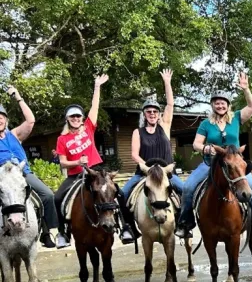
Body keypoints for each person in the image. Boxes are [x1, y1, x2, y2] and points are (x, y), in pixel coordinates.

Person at [174, 71, 252, 238]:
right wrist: (206, 149)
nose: (220, 106)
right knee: (187, 187)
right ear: (212, 106)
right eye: (217, 103)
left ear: (228, 105)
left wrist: (246, 89)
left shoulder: (236, 118)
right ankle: (185, 222)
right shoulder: (206, 123)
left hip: (234, 163)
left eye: (223, 103)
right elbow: (196, 144)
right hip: (211, 163)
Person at [54, 74, 135, 248]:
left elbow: (95, 107)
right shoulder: (62, 139)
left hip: (97, 172)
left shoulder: (88, 129)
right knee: (58, 197)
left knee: (119, 194)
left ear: (82, 119)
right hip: (75, 176)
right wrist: (76, 163)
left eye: (78, 117)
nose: (76, 119)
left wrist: (97, 86)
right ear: (67, 119)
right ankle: (63, 233)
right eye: (72, 117)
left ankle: (126, 227)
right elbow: (62, 162)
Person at [120, 69, 184, 233]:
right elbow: (134, 154)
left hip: (167, 173)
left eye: (155, 111)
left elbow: (170, 104)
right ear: (144, 114)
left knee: (187, 191)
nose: (152, 114)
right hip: (144, 173)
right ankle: (128, 228)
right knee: (122, 194)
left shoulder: (165, 127)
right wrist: (147, 168)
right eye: (149, 111)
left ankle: (184, 224)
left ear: (159, 114)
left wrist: (167, 82)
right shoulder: (137, 132)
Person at [0, 85, 58, 247]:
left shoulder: (15, 134)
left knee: (47, 194)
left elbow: (31, 120)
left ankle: (48, 232)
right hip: (3, 177)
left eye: (2, 117)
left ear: (6, 120)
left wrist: (18, 97)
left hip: (23, 174)